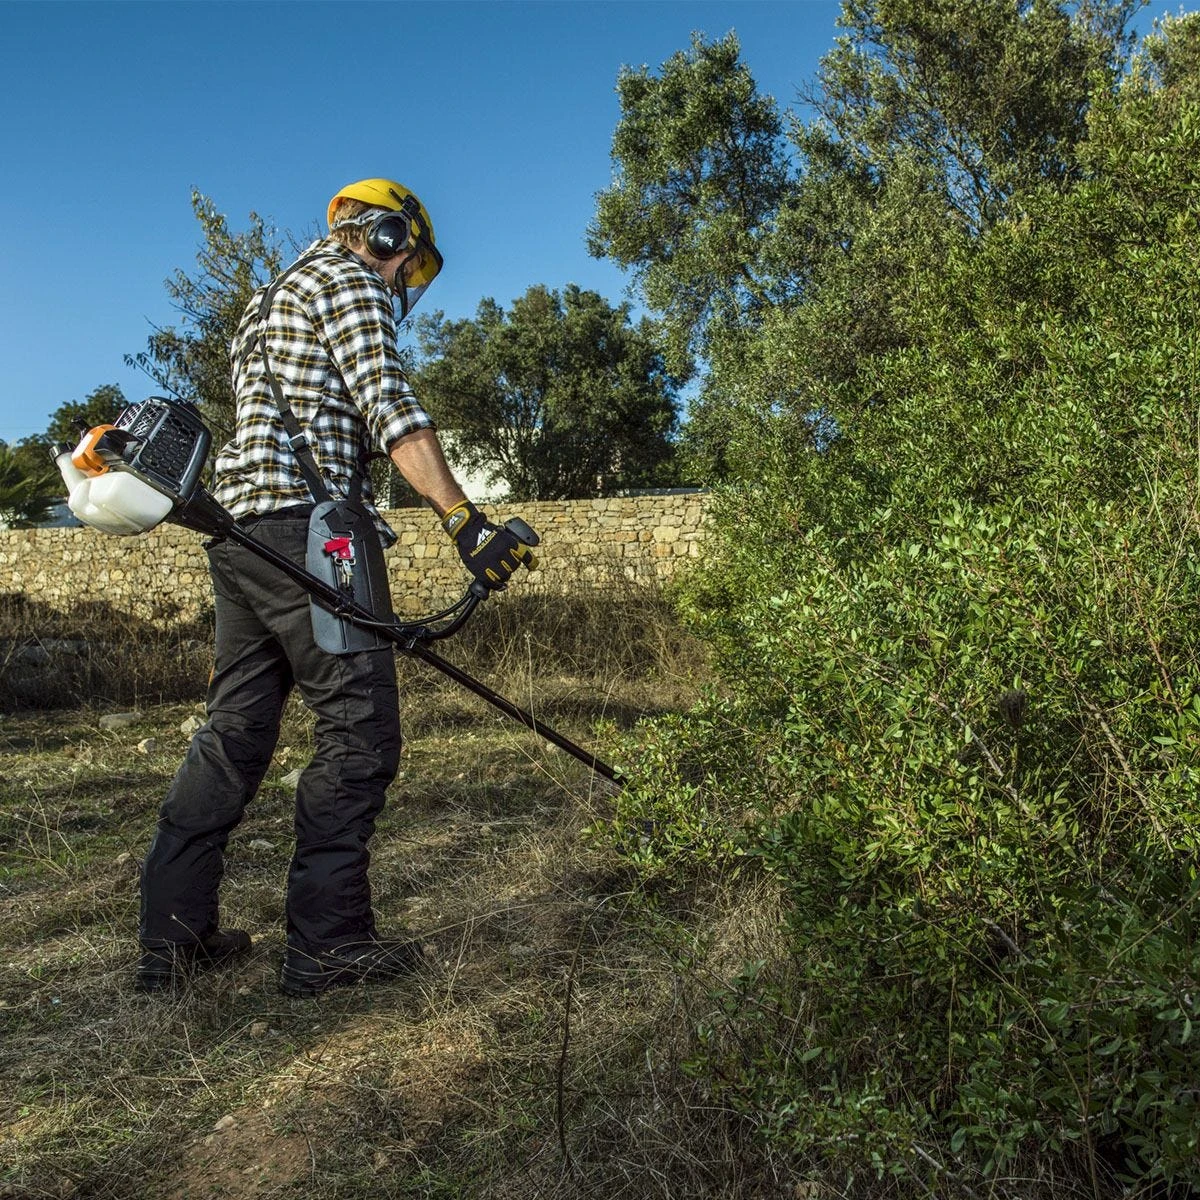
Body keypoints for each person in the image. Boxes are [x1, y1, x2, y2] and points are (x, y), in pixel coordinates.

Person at [135, 178, 533, 996]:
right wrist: (463, 520)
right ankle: (329, 947)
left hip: (240, 535)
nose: (401, 283)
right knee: (358, 734)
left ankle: (171, 945)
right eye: (406, 262)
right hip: (318, 538)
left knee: (233, 734)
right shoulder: (352, 282)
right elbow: (390, 407)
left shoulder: (267, 298)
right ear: (384, 237)